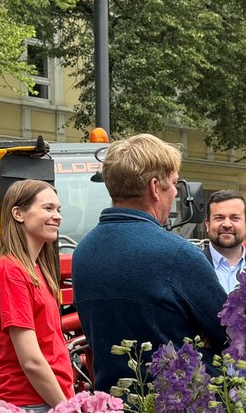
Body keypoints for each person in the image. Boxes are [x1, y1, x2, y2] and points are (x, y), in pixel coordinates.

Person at [72, 134, 228, 393]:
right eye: (174, 182)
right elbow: (230, 333)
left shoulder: (83, 252)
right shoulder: (177, 254)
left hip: (110, 411)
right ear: (155, 187)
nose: (176, 191)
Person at [0, 179, 75, 412]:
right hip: (29, 405)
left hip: (42, 401)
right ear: (18, 214)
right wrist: (67, 411)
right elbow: (32, 361)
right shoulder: (11, 272)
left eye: (58, 209)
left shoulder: (34, 270)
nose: (57, 216)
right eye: (48, 208)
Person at [202, 190, 246, 294]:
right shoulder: (192, 266)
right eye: (219, 218)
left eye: (235, 218)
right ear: (208, 224)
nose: (227, 224)